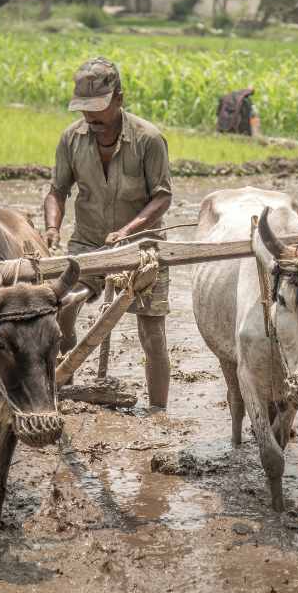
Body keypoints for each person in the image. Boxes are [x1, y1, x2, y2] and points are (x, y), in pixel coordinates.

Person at [44, 57, 173, 409]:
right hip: (87, 244)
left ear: (119, 98)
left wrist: (128, 230)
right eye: (85, 110)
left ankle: (159, 412)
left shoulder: (148, 139)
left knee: (152, 334)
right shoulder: (71, 138)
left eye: (98, 109)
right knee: (63, 306)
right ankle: (62, 388)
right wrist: (53, 229)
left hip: (142, 246)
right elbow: (57, 190)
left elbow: (162, 196)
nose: (92, 118)